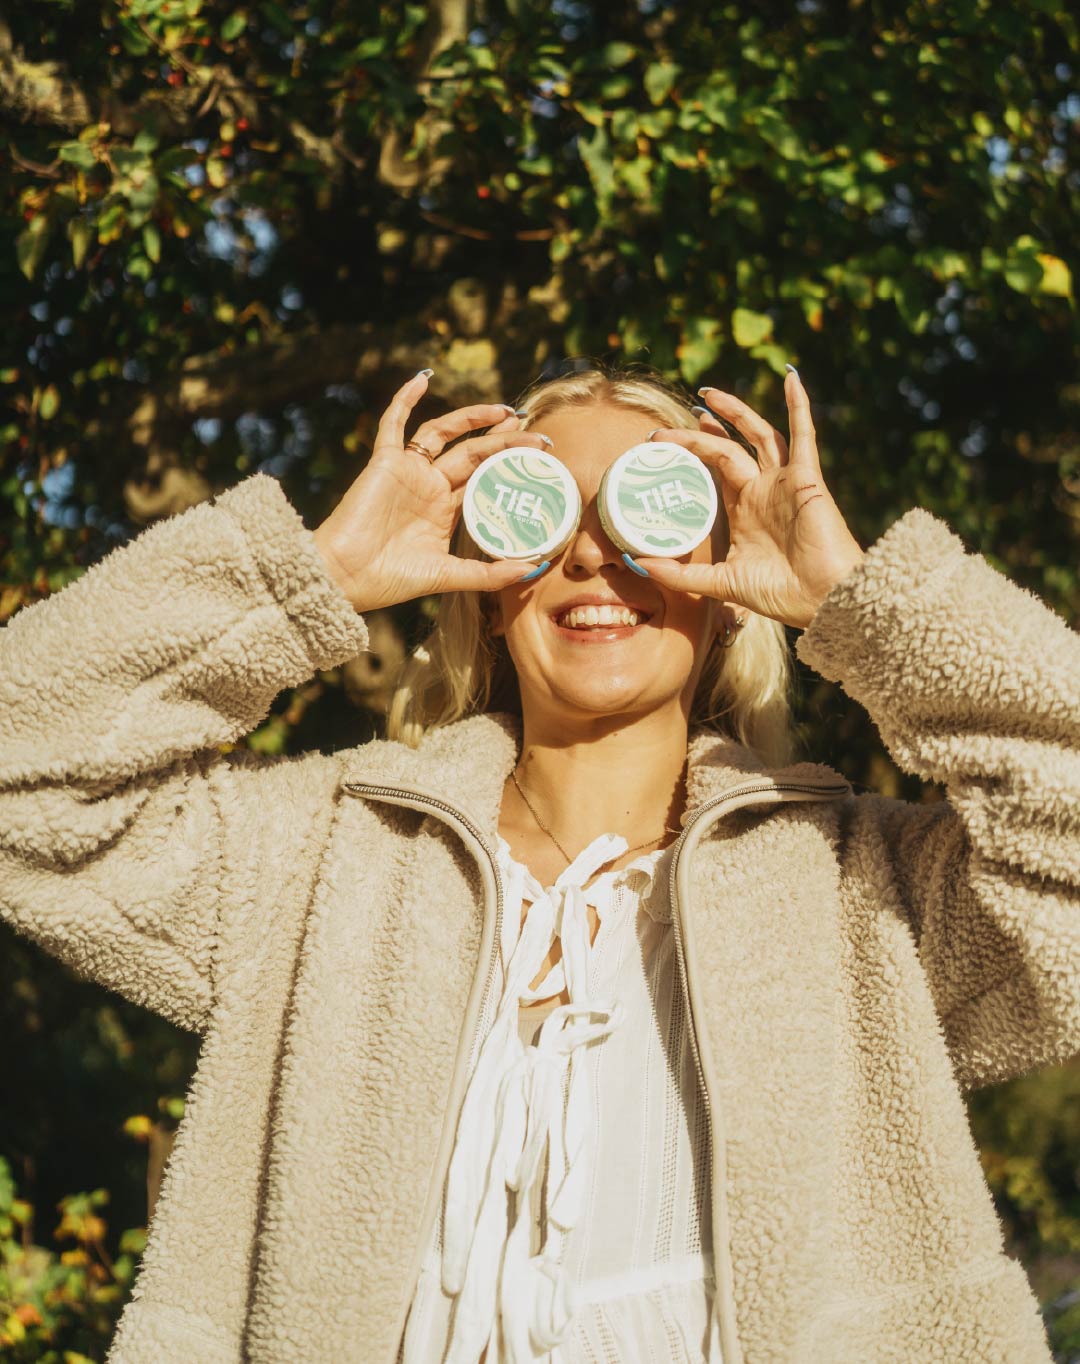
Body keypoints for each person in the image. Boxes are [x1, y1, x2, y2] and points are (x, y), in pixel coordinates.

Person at [0, 363, 1074, 1364]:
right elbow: (24, 768)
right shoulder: (325, 860)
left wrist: (865, 605)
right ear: (487, 580)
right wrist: (308, 578)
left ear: (721, 579)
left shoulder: (861, 897)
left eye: (647, 509)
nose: (595, 554)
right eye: (547, 509)